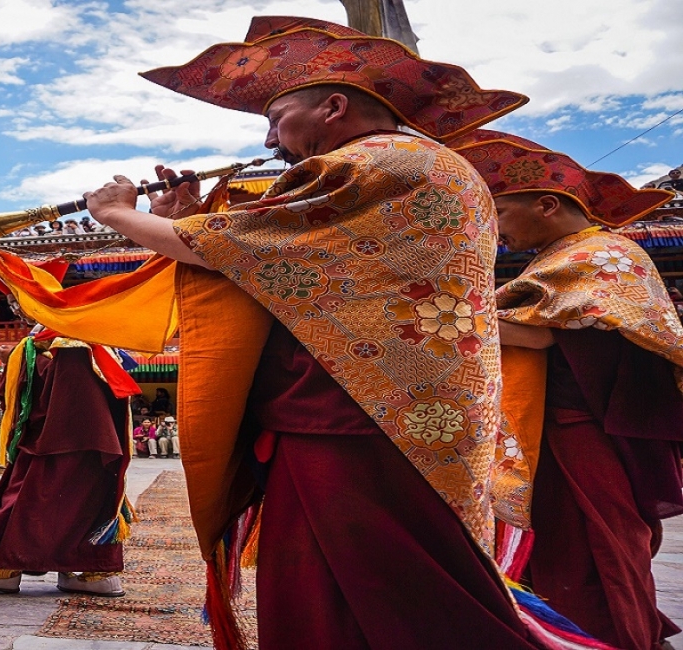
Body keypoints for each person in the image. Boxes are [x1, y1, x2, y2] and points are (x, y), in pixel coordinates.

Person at [67, 16, 561, 649]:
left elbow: (230, 249)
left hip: (359, 411)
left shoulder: (366, 166)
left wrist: (117, 215)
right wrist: (189, 217)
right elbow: (276, 261)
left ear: (333, 107)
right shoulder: (434, 165)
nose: (270, 139)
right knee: (396, 589)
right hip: (409, 407)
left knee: (358, 596)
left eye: (277, 118)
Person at [449, 130, 683, 649]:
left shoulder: (598, 255)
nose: (496, 230)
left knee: (591, 551)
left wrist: (442, 313)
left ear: (547, 204)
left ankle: (613, 638)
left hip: (581, 434)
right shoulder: (562, 257)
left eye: (500, 213)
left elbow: (542, 335)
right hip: (558, 430)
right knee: (567, 550)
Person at [0, 257, 136, 598]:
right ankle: (94, 575)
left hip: (66, 438)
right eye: (13, 303)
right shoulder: (56, 338)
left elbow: (66, 393)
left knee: (30, 502)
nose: (17, 310)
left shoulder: (70, 341)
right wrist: (14, 368)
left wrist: (14, 366)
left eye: (20, 301)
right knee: (76, 505)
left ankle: (2, 570)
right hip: (77, 438)